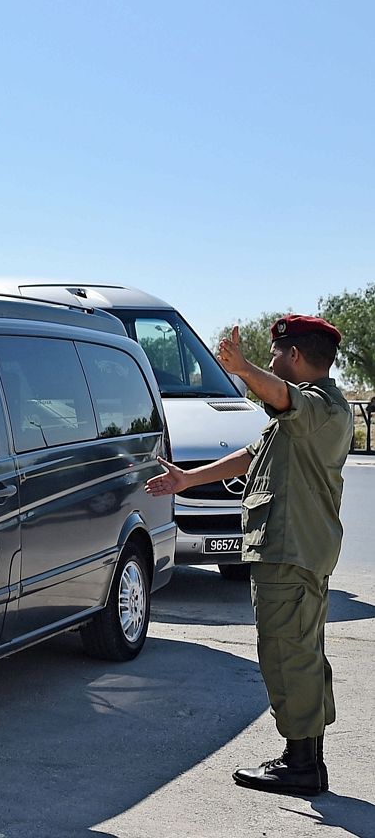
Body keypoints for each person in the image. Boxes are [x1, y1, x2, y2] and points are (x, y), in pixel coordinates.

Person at [147, 315, 352, 797]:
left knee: (288, 654)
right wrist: (187, 479)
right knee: (299, 652)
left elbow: (283, 396)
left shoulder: (318, 407)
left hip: (291, 550)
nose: (275, 363)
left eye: (278, 354)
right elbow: (251, 454)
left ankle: (301, 764)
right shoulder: (298, 417)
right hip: (294, 549)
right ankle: (306, 758)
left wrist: (244, 368)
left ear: (295, 357)